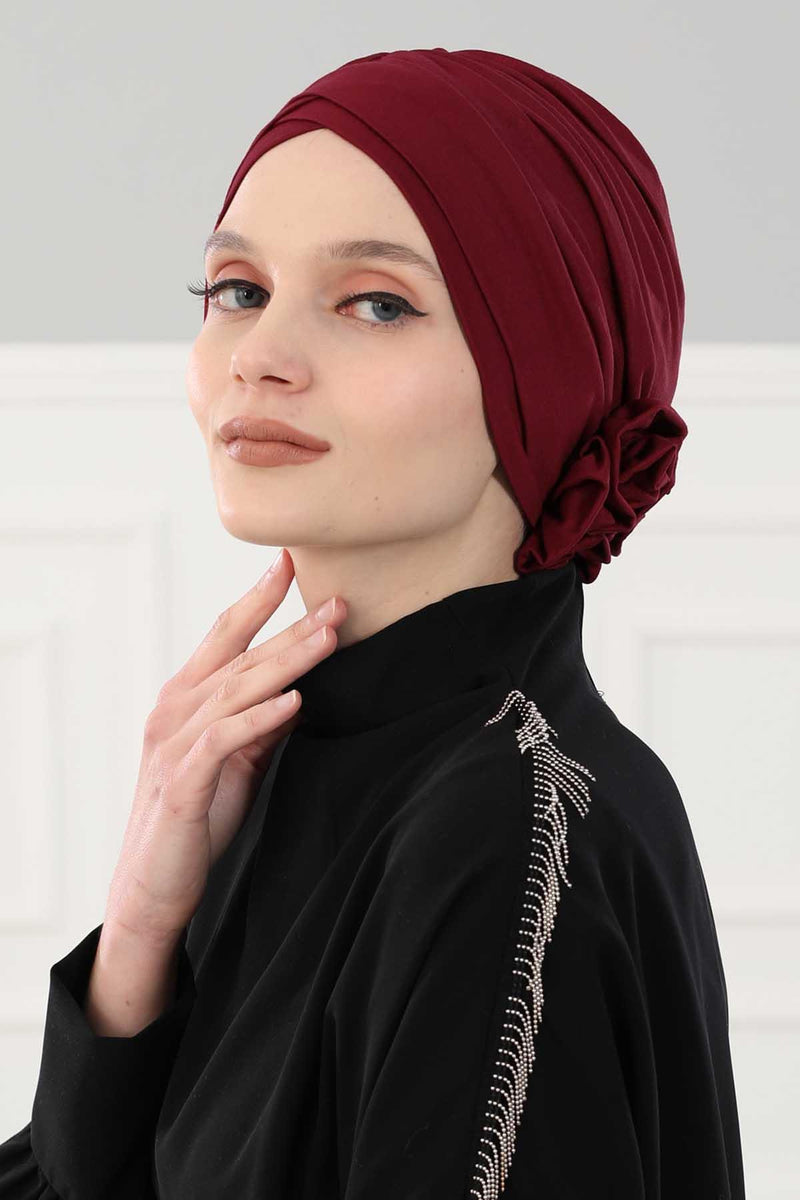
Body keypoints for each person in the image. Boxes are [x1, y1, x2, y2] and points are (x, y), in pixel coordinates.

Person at [0, 47, 746, 1199]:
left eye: (376, 304)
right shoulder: (282, 767)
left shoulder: (499, 827)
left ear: (542, 374)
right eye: (237, 290)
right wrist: (141, 929)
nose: (259, 358)